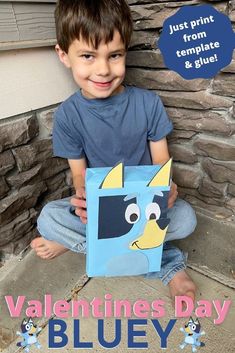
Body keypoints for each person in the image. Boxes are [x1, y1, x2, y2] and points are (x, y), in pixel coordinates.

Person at [31, 0, 197, 301]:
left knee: (186, 219)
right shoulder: (68, 115)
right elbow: (79, 175)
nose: (104, 70)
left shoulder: (148, 103)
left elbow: (161, 159)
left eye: (114, 55)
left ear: (125, 52)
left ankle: (87, 245)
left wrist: (166, 186)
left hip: (144, 206)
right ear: (63, 55)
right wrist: (83, 201)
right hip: (101, 207)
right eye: (87, 56)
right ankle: (167, 264)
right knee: (49, 219)